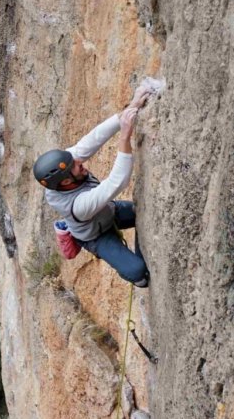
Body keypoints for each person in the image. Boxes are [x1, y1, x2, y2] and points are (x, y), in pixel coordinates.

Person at [33, 82, 153, 287]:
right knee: (138, 271)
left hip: (108, 212)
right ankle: (135, 275)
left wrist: (131, 108)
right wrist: (125, 136)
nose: (80, 162)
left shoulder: (65, 171)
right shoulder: (78, 206)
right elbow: (116, 182)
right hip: (95, 236)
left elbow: (94, 138)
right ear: (67, 181)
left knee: (145, 212)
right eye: (76, 166)